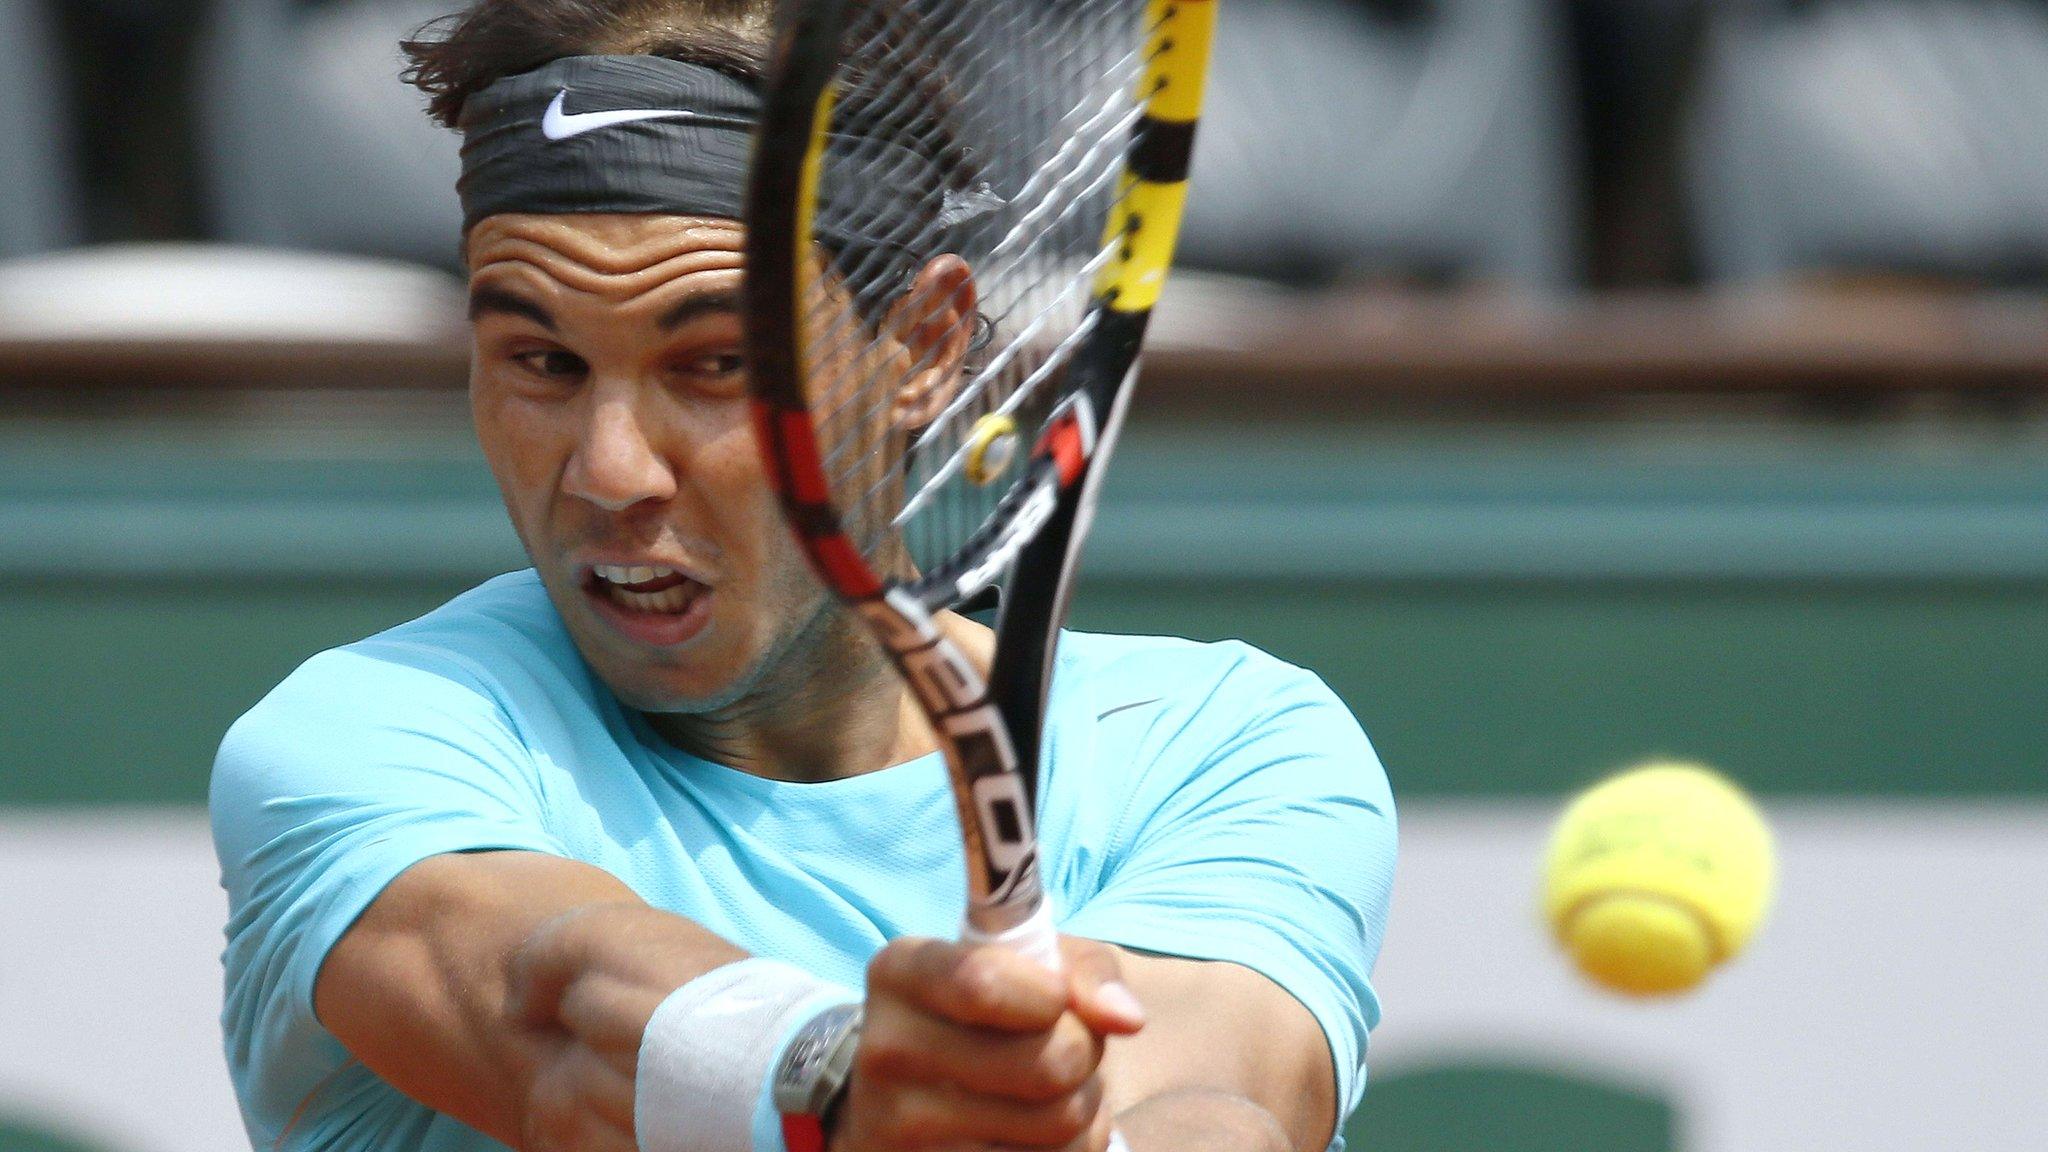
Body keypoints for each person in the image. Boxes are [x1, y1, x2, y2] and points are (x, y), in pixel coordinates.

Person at [209, 2, 1398, 1151]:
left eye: (716, 362)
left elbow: (1223, 1104)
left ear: (924, 349)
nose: (610, 470)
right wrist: (836, 1084)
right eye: (540, 361)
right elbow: (558, 1017)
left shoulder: (1222, 744)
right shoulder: (365, 735)